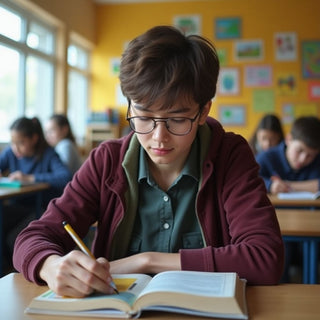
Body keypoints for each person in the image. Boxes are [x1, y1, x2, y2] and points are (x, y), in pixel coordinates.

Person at [13, 25, 284, 298]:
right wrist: (51, 265)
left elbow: (265, 257)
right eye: (143, 117)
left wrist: (147, 261)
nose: (158, 138)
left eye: (177, 119)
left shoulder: (229, 154)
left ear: (203, 112)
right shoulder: (107, 160)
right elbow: (32, 238)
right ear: (130, 106)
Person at [0, 116, 72, 272]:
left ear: (34, 138)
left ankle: (17, 272)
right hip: (16, 206)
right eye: (13, 143)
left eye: (21, 143)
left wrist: (30, 178)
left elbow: (65, 177)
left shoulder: (48, 154)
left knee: (16, 238)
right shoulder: (11, 154)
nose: (16, 148)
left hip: (41, 208)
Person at [256, 116, 320, 195]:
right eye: (299, 150)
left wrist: (287, 185)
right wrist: (270, 185)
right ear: (288, 139)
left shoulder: (317, 159)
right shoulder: (265, 157)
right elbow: (249, 180)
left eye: (310, 155)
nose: (302, 159)